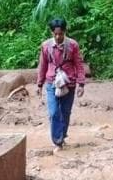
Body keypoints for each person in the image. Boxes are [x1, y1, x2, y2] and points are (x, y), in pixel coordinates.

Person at [36, 18, 87, 153]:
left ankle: (62, 136)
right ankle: (57, 141)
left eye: (60, 34)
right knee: (53, 113)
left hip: (69, 83)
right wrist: (39, 84)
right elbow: (43, 65)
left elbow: (78, 64)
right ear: (52, 32)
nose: (58, 37)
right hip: (51, 82)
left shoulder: (72, 45)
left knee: (65, 112)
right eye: (55, 34)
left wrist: (81, 84)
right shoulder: (46, 46)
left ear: (65, 31)